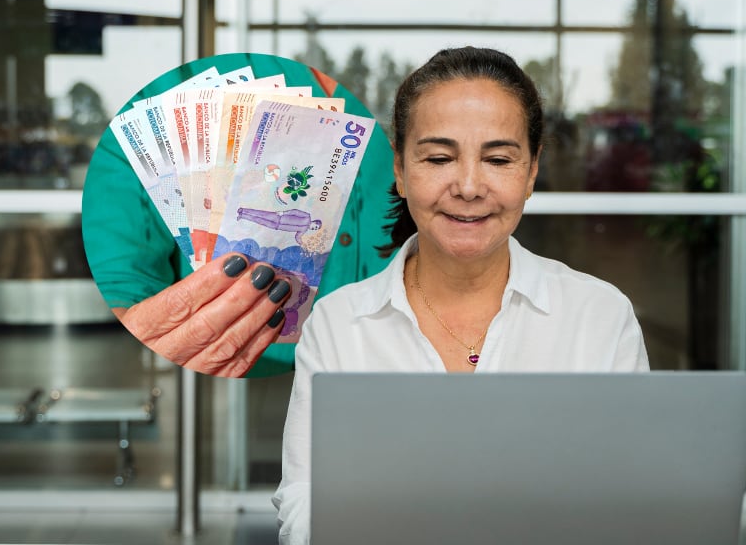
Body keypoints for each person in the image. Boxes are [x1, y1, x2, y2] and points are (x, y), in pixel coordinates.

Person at [272, 46, 650, 544]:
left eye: (497, 159)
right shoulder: (340, 324)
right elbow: (304, 505)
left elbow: (638, 503)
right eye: (438, 157)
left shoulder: (599, 317)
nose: (469, 187)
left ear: (532, 171)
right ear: (402, 172)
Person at [81, 53, 395, 378]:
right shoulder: (160, 100)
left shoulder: (392, 105)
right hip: (235, 384)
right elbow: (122, 294)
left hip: (384, 368)